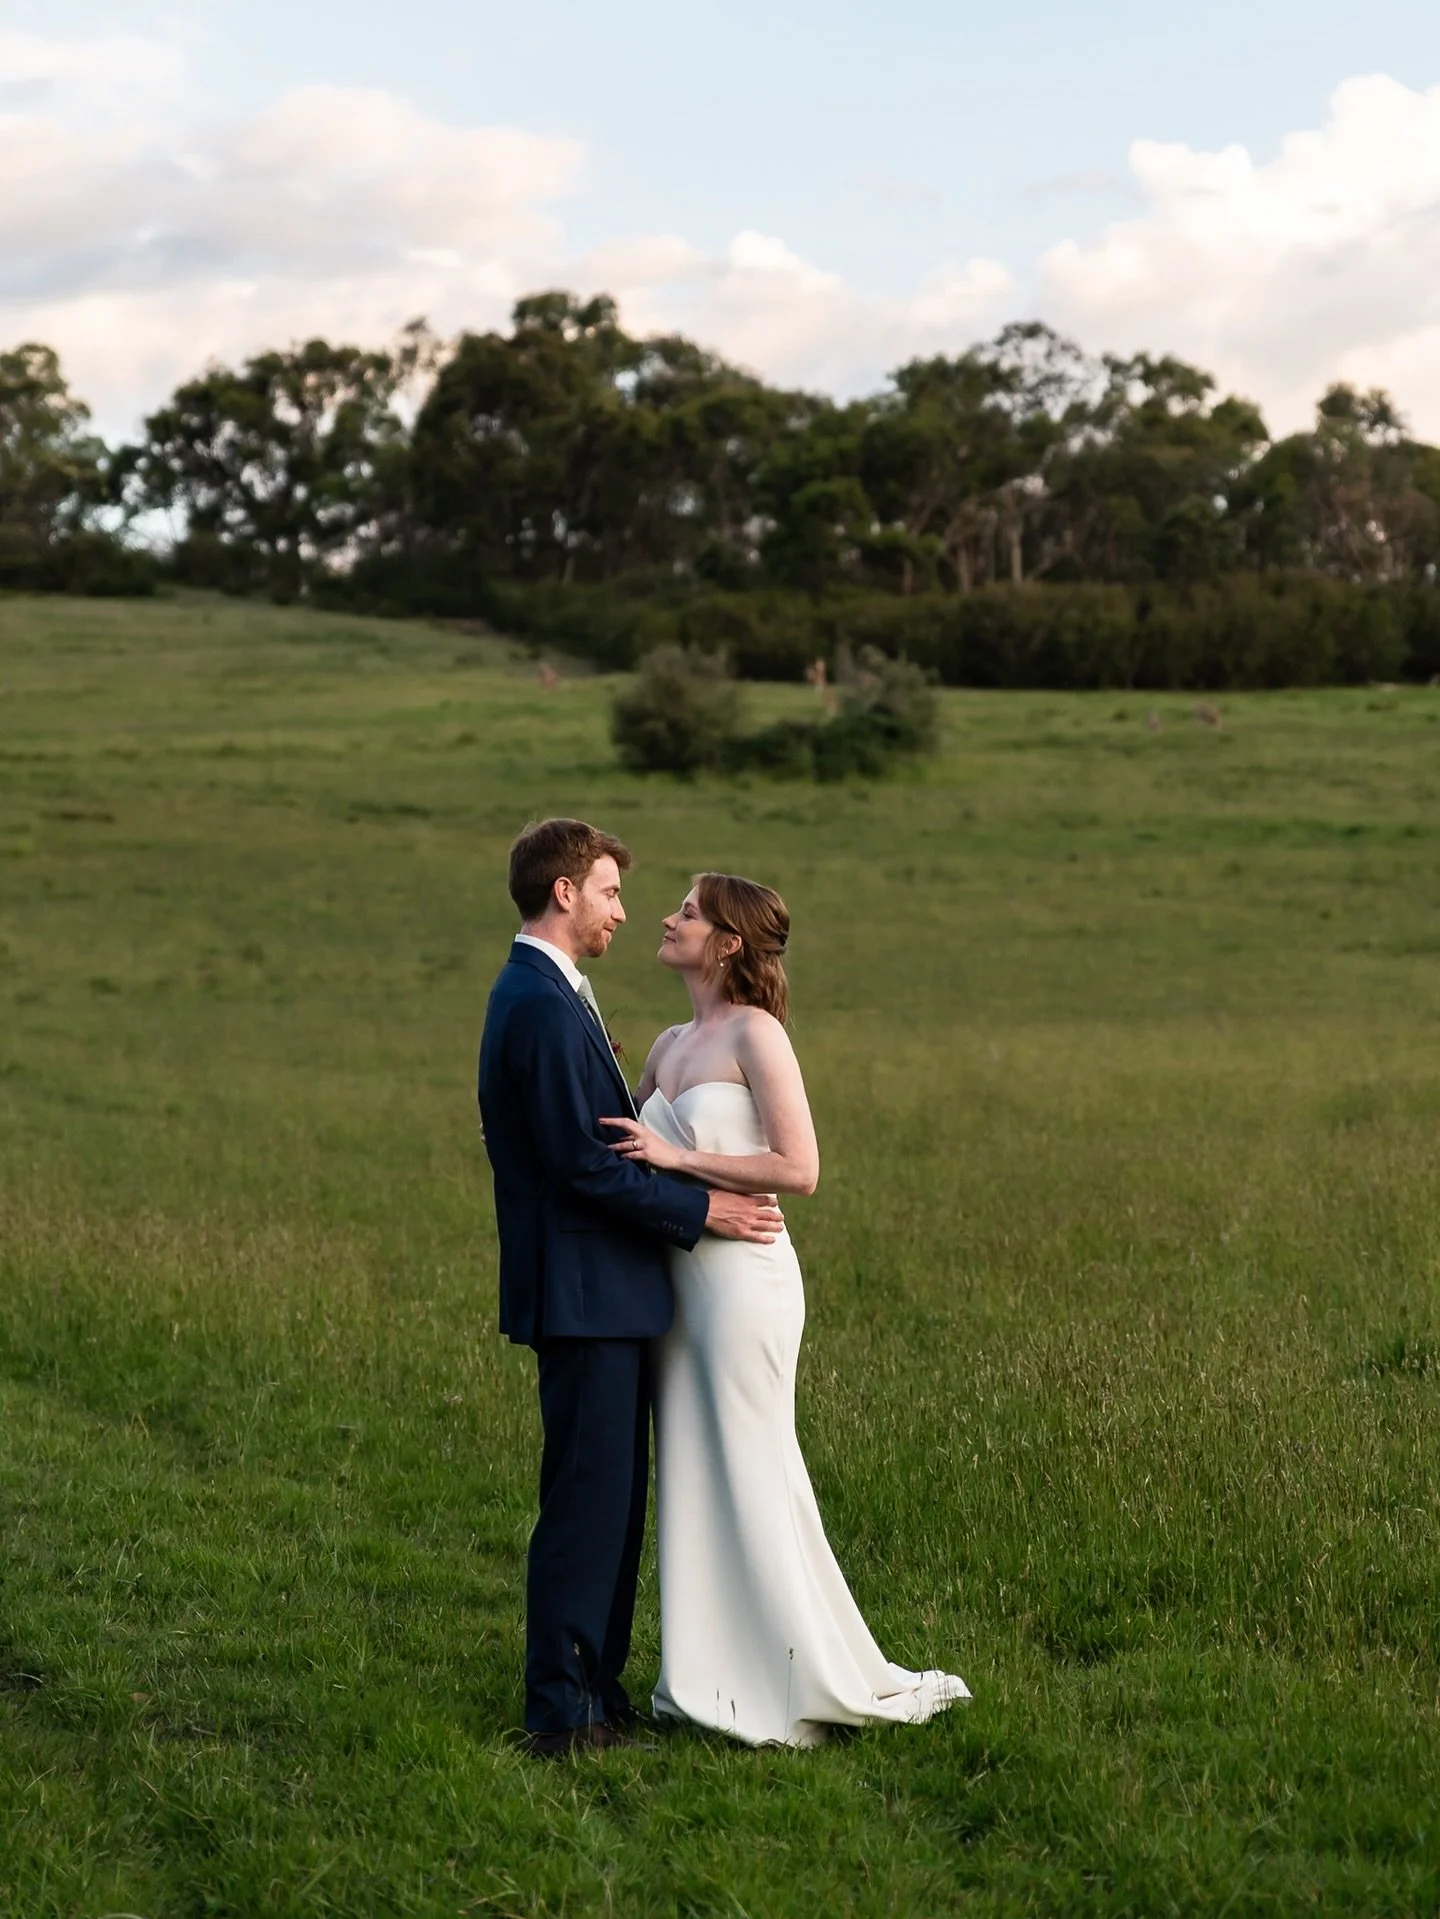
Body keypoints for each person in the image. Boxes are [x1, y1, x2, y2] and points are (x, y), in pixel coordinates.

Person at [602, 873, 970, 1746]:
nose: (666, 917)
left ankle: (800, 1672)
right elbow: (625, 1148)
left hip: (743, 1284)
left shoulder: (756, 1033)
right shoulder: (666, 1041)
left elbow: (800, 1168)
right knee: (696, 1471)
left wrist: (678, 1160)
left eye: (687, 912)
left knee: (755, 1464)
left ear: (727, 943)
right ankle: (709, 1676)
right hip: (680, 1289)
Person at [477, 821, 784, 1758]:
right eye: (609, 892)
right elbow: (581, 1164)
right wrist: (705, 1215)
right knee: (585, 1502)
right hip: (582, 1290)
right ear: (564, 893)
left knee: (610, 1500)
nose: (622, 910)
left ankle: (595, 1689)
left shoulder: (553, 993)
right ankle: (562, 1713)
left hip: (603, 1291)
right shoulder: (533, 999)